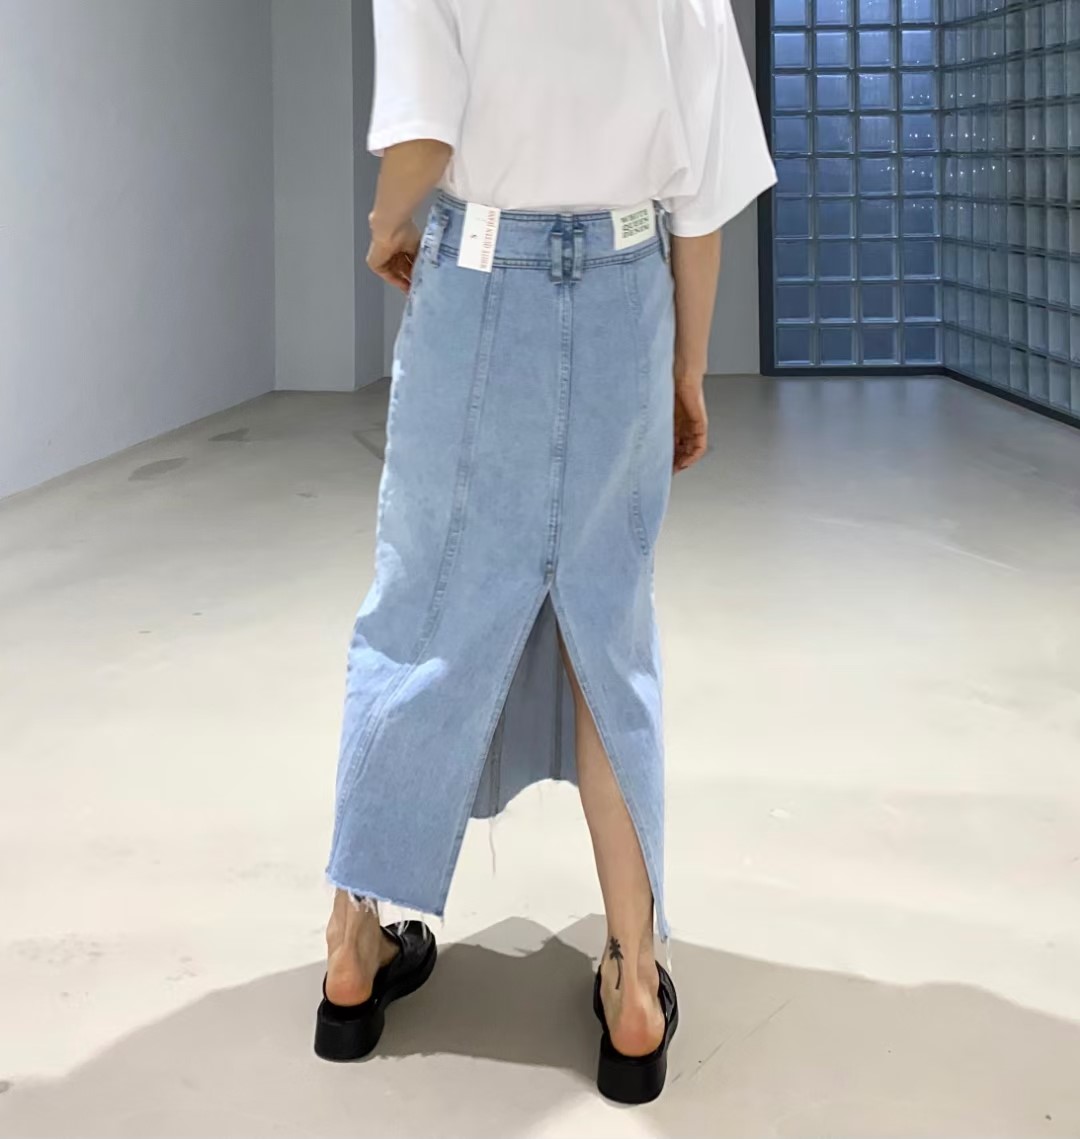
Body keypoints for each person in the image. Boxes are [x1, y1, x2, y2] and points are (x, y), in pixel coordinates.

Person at [314, 0, 775, 1104]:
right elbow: (701, 205)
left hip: (479, 280)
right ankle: (633, 984)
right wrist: (688, 370)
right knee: (608, 630)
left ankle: (352, 946)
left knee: (420, 606)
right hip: (627, 288)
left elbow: (423, 138)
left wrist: (384, 225)